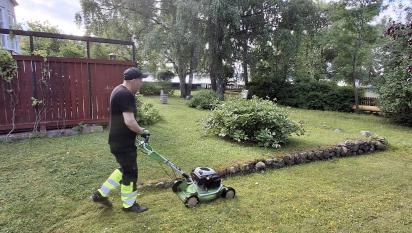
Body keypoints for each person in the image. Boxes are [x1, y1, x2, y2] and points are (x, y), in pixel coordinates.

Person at [91, 67, 149, 213]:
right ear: (134, 80)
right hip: (123, 143)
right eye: (141, 80)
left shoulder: (118, 89)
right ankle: (129, 205)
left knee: (124, 169)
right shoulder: (126, 95)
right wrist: (142, 131)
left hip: (117, 140)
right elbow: (129, 121)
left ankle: (100, 194)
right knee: (130, 173)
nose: (141, 83)